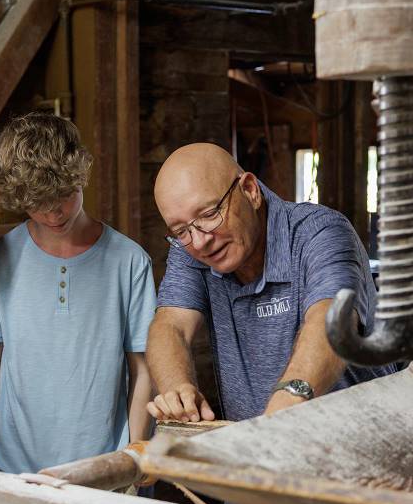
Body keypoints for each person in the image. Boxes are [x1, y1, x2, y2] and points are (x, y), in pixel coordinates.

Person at [0, 112, 156, 504]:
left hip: (104, 475)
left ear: (82, 176)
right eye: (36, 203)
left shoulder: (129, 261)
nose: (52, 212)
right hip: (17, 474)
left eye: (62, 196)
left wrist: (135, 458)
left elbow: (142, 370)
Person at [146, 142, 395, 424]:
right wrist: (177, 389)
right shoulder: (190, 247)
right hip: (261, 450)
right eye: (181, 230)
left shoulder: (320, 231)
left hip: (359, 437)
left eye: (209, 214)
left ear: (250, 190)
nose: (200, 241)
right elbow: (171, 325)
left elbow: (331, 320)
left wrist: (278, 415)